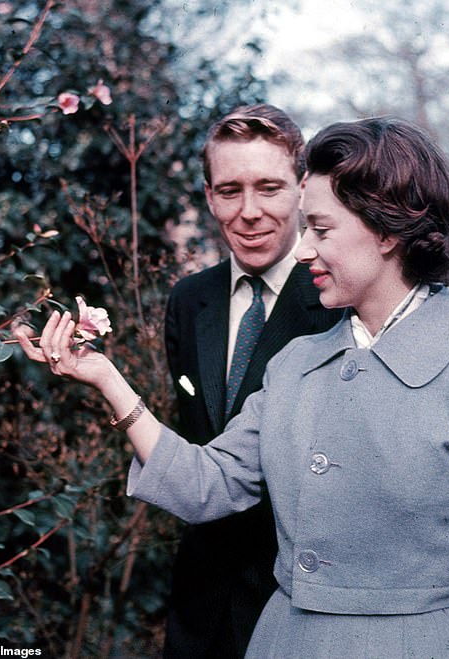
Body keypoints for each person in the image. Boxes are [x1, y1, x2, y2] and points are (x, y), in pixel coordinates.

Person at [18, 116, 449, 659]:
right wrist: (105, 376)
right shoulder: (295, 364)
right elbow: (205, 484)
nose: (305, 249)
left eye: (321, 228)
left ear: (387, 230)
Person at [161, 104, 341, 658]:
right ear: (209, 196)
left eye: (269, 188)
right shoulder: (189, 301)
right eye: (229, 190)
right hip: (198, 612)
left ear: (303, 189)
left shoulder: (339, 300)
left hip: (299, 607)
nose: (249, 212)